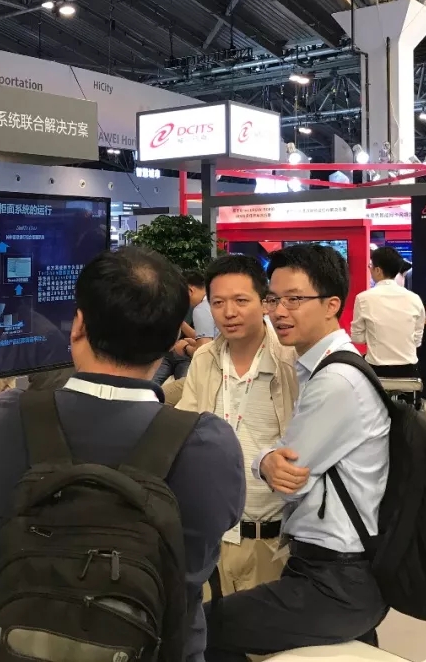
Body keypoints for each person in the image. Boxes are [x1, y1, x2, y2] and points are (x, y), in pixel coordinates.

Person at [0, 246, 245, 662]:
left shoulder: (2, 420)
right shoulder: (208, 444)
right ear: (171, 339)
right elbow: (202, 555)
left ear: (78, 325)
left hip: (19, 645)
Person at [203, 244, 390, 661]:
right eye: (275, 299)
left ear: (332, 305)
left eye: (294, 299)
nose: (280, 312)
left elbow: (289, 477)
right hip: (325, 565)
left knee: (201, 628)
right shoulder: (319, 368)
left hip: (338, 573)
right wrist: (269, 458)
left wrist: (263, 459)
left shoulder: (335, 381)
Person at [176, 254, 299, 595]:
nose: (229, 312)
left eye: (241, 301)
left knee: (264, 630)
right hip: (209, 537)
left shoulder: (290, 361)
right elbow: (187, 429)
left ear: (264, 303)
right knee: (206, 627)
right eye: (218, 303)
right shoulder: (205, 359)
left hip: (268, 541)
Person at [351, 246, 425, 379]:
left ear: (378, 270)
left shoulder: (363, 298)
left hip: (376, 370)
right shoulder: (415, 299)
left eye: (370, 266)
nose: (370, 269)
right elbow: (417, 340)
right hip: (409, 370)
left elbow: (357, 338)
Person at [152, 270, 211, 385]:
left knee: (169, 392)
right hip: (169, 354)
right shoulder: (212, 305)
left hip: (187, 358)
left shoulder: (201, 309)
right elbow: (207, 338)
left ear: (190, 291)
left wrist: (185, 347)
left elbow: (204, 352)